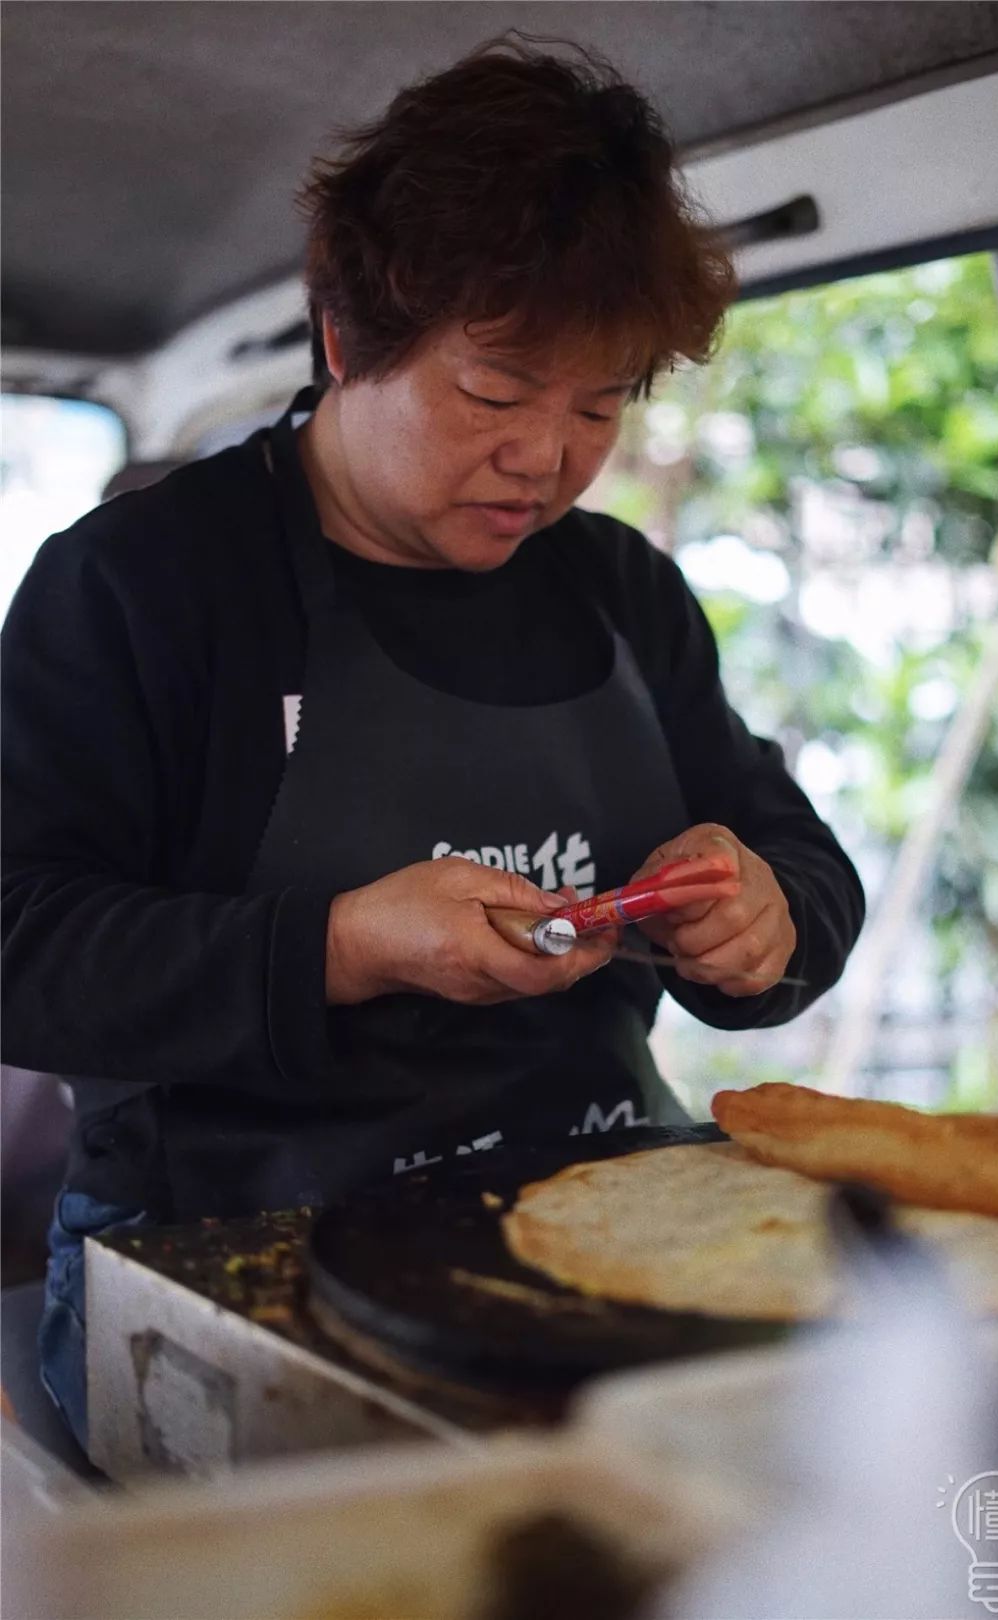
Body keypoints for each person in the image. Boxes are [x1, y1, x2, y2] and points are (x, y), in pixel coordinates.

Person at [1, 38, 864, 1447]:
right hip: (230, 1243)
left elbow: (799, 863)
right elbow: (15, 941)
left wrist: (769, 917)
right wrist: (343, 943)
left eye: (603, 403)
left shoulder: (622, 589)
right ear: (350, 340)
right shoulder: (143, 587)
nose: (550, 456)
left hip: (603, 1205)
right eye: (499, 390)